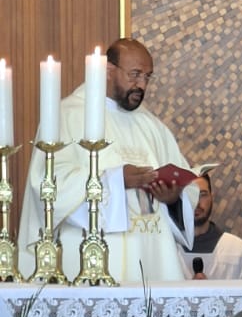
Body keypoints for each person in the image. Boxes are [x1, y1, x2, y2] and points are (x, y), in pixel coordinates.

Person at [18, 38, 197, 284]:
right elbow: (48, 185)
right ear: (109, 70)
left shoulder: (152, 126)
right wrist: (116, 179)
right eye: (135, 75)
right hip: (88, 262)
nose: (142, 85)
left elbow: (188, 188)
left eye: (147, 77)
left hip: (150, 258)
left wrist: (174, 199)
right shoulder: (67, 115)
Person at [178, 172, 242, 281]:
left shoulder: (237, 249)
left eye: (202, 195)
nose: (196, 202)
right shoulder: (167, 250)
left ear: (212, 197)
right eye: (189, 195)